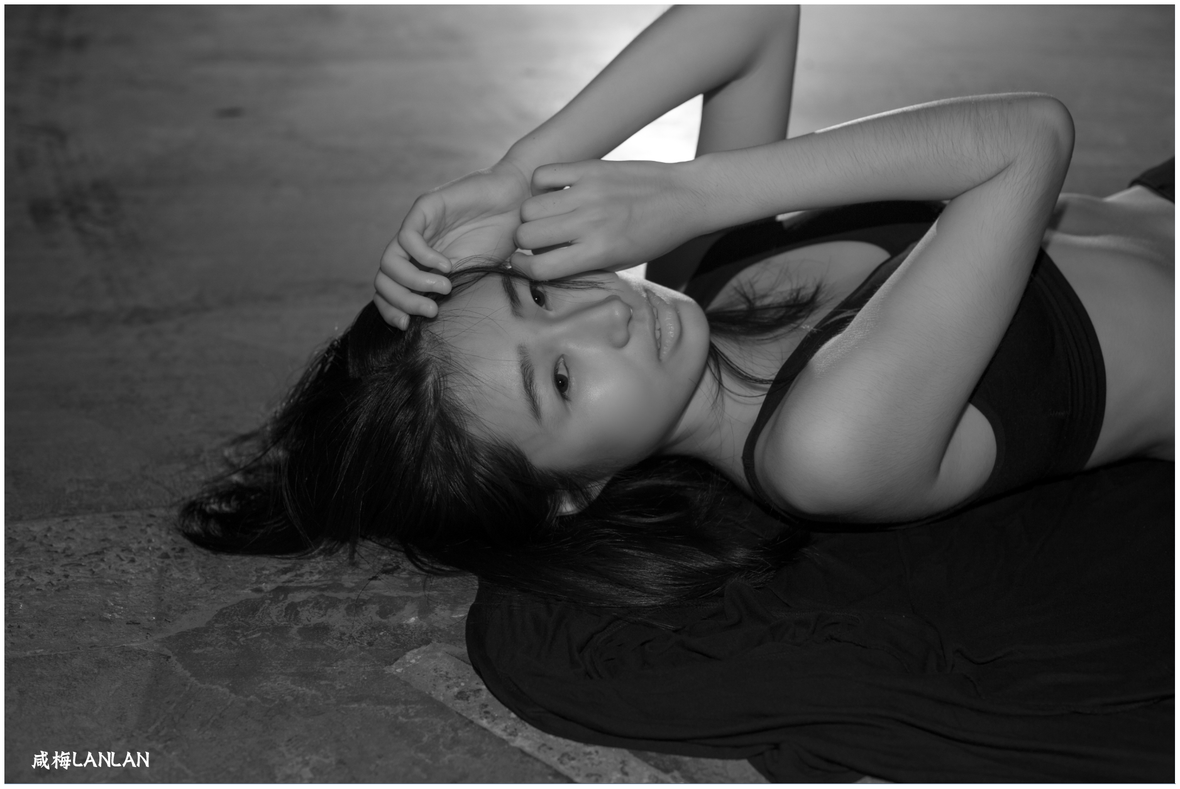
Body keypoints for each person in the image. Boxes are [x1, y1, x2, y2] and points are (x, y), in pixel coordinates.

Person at [182, 7, 1173, 611]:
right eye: (559, 378)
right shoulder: (824, 453)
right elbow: (1027, 140)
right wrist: (693, 192)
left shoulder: (708, 275)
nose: (602, 315)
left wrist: (520, 171)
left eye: (540, 293)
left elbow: (755, 16)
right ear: (572, 494)